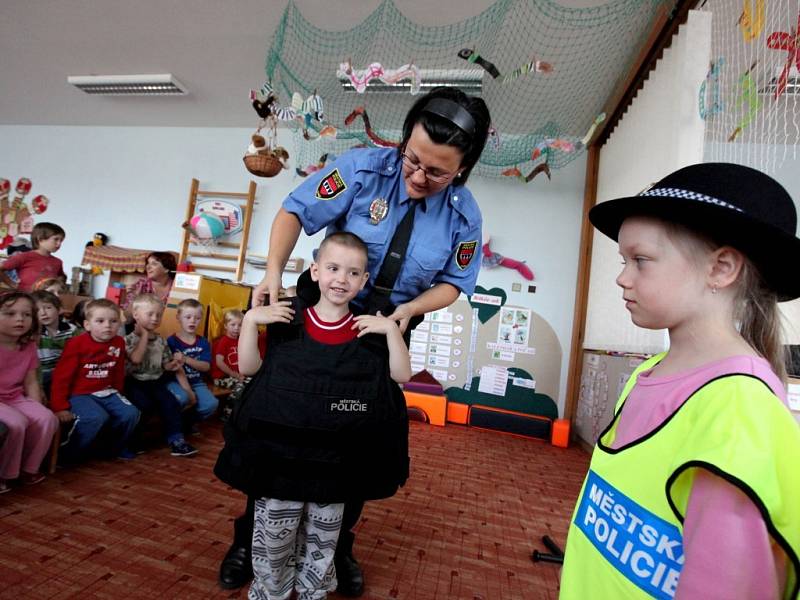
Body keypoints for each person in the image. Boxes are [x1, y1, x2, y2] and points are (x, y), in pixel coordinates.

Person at [218, 86, 491, 596]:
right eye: (413, 160)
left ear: (463, 167)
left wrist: (407, 311)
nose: (417, 177)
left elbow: (456, 282)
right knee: (280, 427)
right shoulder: (359, 170)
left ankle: (336, 547)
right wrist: (272, 273)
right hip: (318, 312)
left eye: (437, 172)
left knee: (357, 442)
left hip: (383, 328)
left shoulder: (464, 214)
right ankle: (247, 540)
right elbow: (295, 212)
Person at [559, 163, 800, 599]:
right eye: (623, 260)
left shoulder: (739, 411)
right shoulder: (644, 377)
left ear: (721, 268)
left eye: (641, 261)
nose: (622, 277)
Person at [215, 232, 411, 600]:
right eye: (333, 268)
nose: (341, 279)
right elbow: (249, 368)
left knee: (321, 547)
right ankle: (269, 593)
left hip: (333, 471)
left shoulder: (369, 331)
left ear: (364, 281)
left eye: (353, 273)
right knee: (273, 544)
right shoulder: (284, 320)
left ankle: (312, 593)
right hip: (279, 468)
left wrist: (391, 332)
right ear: (315, 271)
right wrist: (252, 320)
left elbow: (401, 376)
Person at [50, 299, 140, 462]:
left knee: (130, 413)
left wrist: (119, 393)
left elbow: (118, 370)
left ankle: (113, 448)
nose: (108, 326)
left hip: (108, 391)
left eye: (113, 321)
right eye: (100, 321)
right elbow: (61, 378)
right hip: (80, 393)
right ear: (87, 325)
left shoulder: (119, 342)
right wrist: (60, 407)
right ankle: (69, 453)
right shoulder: (76, 344)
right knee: (96, 417)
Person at [124, 294, 197, 457]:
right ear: (136, 315)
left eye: (159, 315)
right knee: (143, 405)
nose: (155, 318)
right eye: (150, 314)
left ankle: (177, 441)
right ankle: (133, 441)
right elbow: (136, 359)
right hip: (135, 382)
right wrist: (144, 335)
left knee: (171, 403)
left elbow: (165, 363)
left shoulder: (160, 340)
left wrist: (171, 365)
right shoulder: (127, 340)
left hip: (155, 381)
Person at [0, 291, 59, 494]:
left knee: (47, 418)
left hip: (15, 397)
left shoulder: (28, 346)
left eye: (26, 315)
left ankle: (28, 469)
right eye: (10, 314)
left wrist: (37, 407)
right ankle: (5, 474)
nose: (20, 319)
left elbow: (31, 381)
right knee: (17, 423)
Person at [166, 299, 219, 428]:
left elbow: (206, 366)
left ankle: (187, 422)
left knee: (211, 404)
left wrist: (185, 359)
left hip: (197, 382)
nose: (192, 321)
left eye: (197, 318)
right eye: (188, 317)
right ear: (178, 317)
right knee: (182, 398)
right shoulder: (171, 341)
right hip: (175, 382)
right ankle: (174, 424)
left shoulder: (203, 342)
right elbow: (170, 368)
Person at [32, 290, 80, 396]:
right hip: (42, 374)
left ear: (59, 309)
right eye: (37, 310)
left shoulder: (71, 330)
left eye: (48, 307)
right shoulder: (33, 333)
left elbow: (79, 354)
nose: (43, 313)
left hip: (66, 373)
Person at [0, 222, 66, 292]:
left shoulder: (58, 262)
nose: (59, 244)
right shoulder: (23, 257)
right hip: (26, 299)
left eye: (61, 240)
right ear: (40, 239)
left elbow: (61, 276)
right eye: (56, 239)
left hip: (47, 300)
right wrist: (12, 284)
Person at [122, 251, 176, 317]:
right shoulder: (140, 285)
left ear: (166, 269)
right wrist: (135, 297)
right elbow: (127, 316)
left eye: (154, 264)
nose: (148, 267)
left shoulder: (176, 287)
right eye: (148, 263)